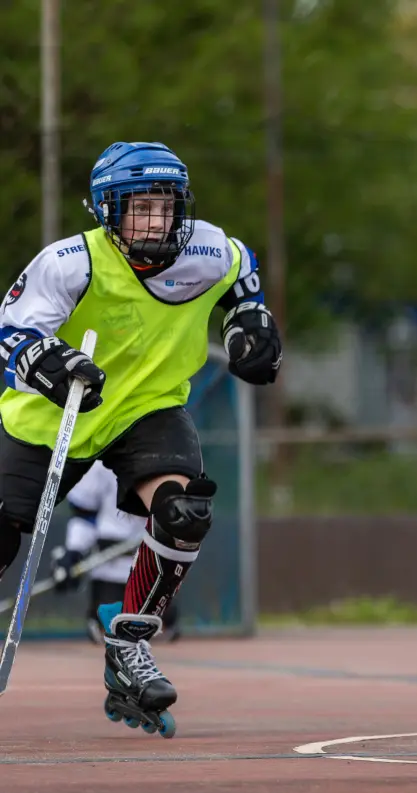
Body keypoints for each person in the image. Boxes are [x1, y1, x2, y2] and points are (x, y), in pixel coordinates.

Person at [0, 141, 281, 737]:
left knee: (184, 511)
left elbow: (244, 288)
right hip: (53, 416)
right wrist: (46, 359)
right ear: (107, 211)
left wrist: (249, 331)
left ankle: (129, 643)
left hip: (145, 410)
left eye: (167, 205)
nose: (157, 221)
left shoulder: (210, 250)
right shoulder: (70, 262)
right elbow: (11, 330)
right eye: (139, 207)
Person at [51, 461, 180, 645]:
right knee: (111, 632)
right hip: (110, 568)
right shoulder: (101, 462)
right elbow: (85, 515)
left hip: (154, 567)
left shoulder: (170, 457)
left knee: (159, 633)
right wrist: (73, 552)